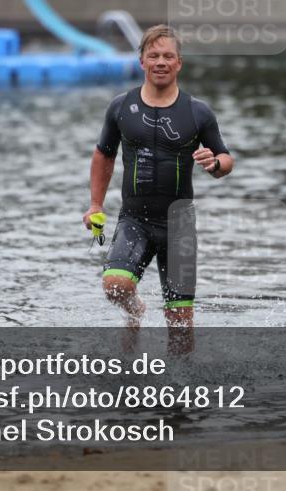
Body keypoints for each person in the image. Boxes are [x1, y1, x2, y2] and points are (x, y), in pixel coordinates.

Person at [83, 24, 233, 346]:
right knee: (115, 284)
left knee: (180, 328)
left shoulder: (198, 112)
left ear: (179, 63)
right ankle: (134, 310)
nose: (160, 62)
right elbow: (103, 155)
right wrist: (96, 205)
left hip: (179, 225)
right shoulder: (121, 107)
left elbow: (226, 160)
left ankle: (180, 391)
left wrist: (215, 163)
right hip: (134, 219)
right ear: (142, 61)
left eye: (168, 56)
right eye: (154, 55)